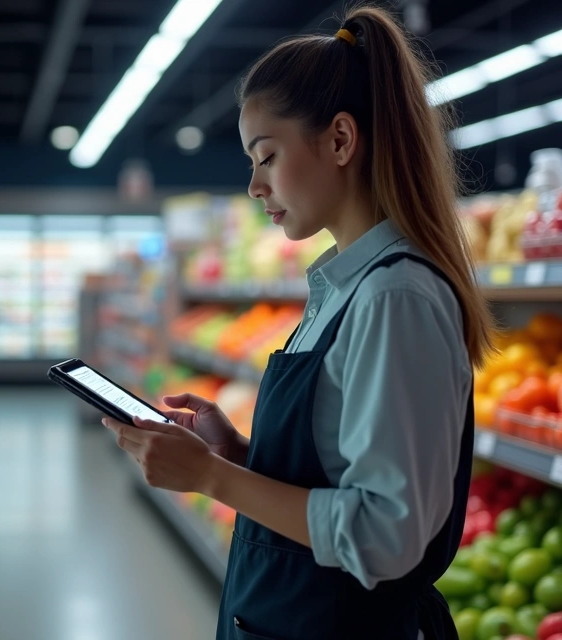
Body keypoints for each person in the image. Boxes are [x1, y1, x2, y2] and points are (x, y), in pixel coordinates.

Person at [103, 6, 494, 639]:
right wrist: (238, 454)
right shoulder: (343, 285)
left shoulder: (393, 297)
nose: (254, 186)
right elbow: (331, 473)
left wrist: (211, 477)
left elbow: (385, 537)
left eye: (266, 156)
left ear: (340, 140)